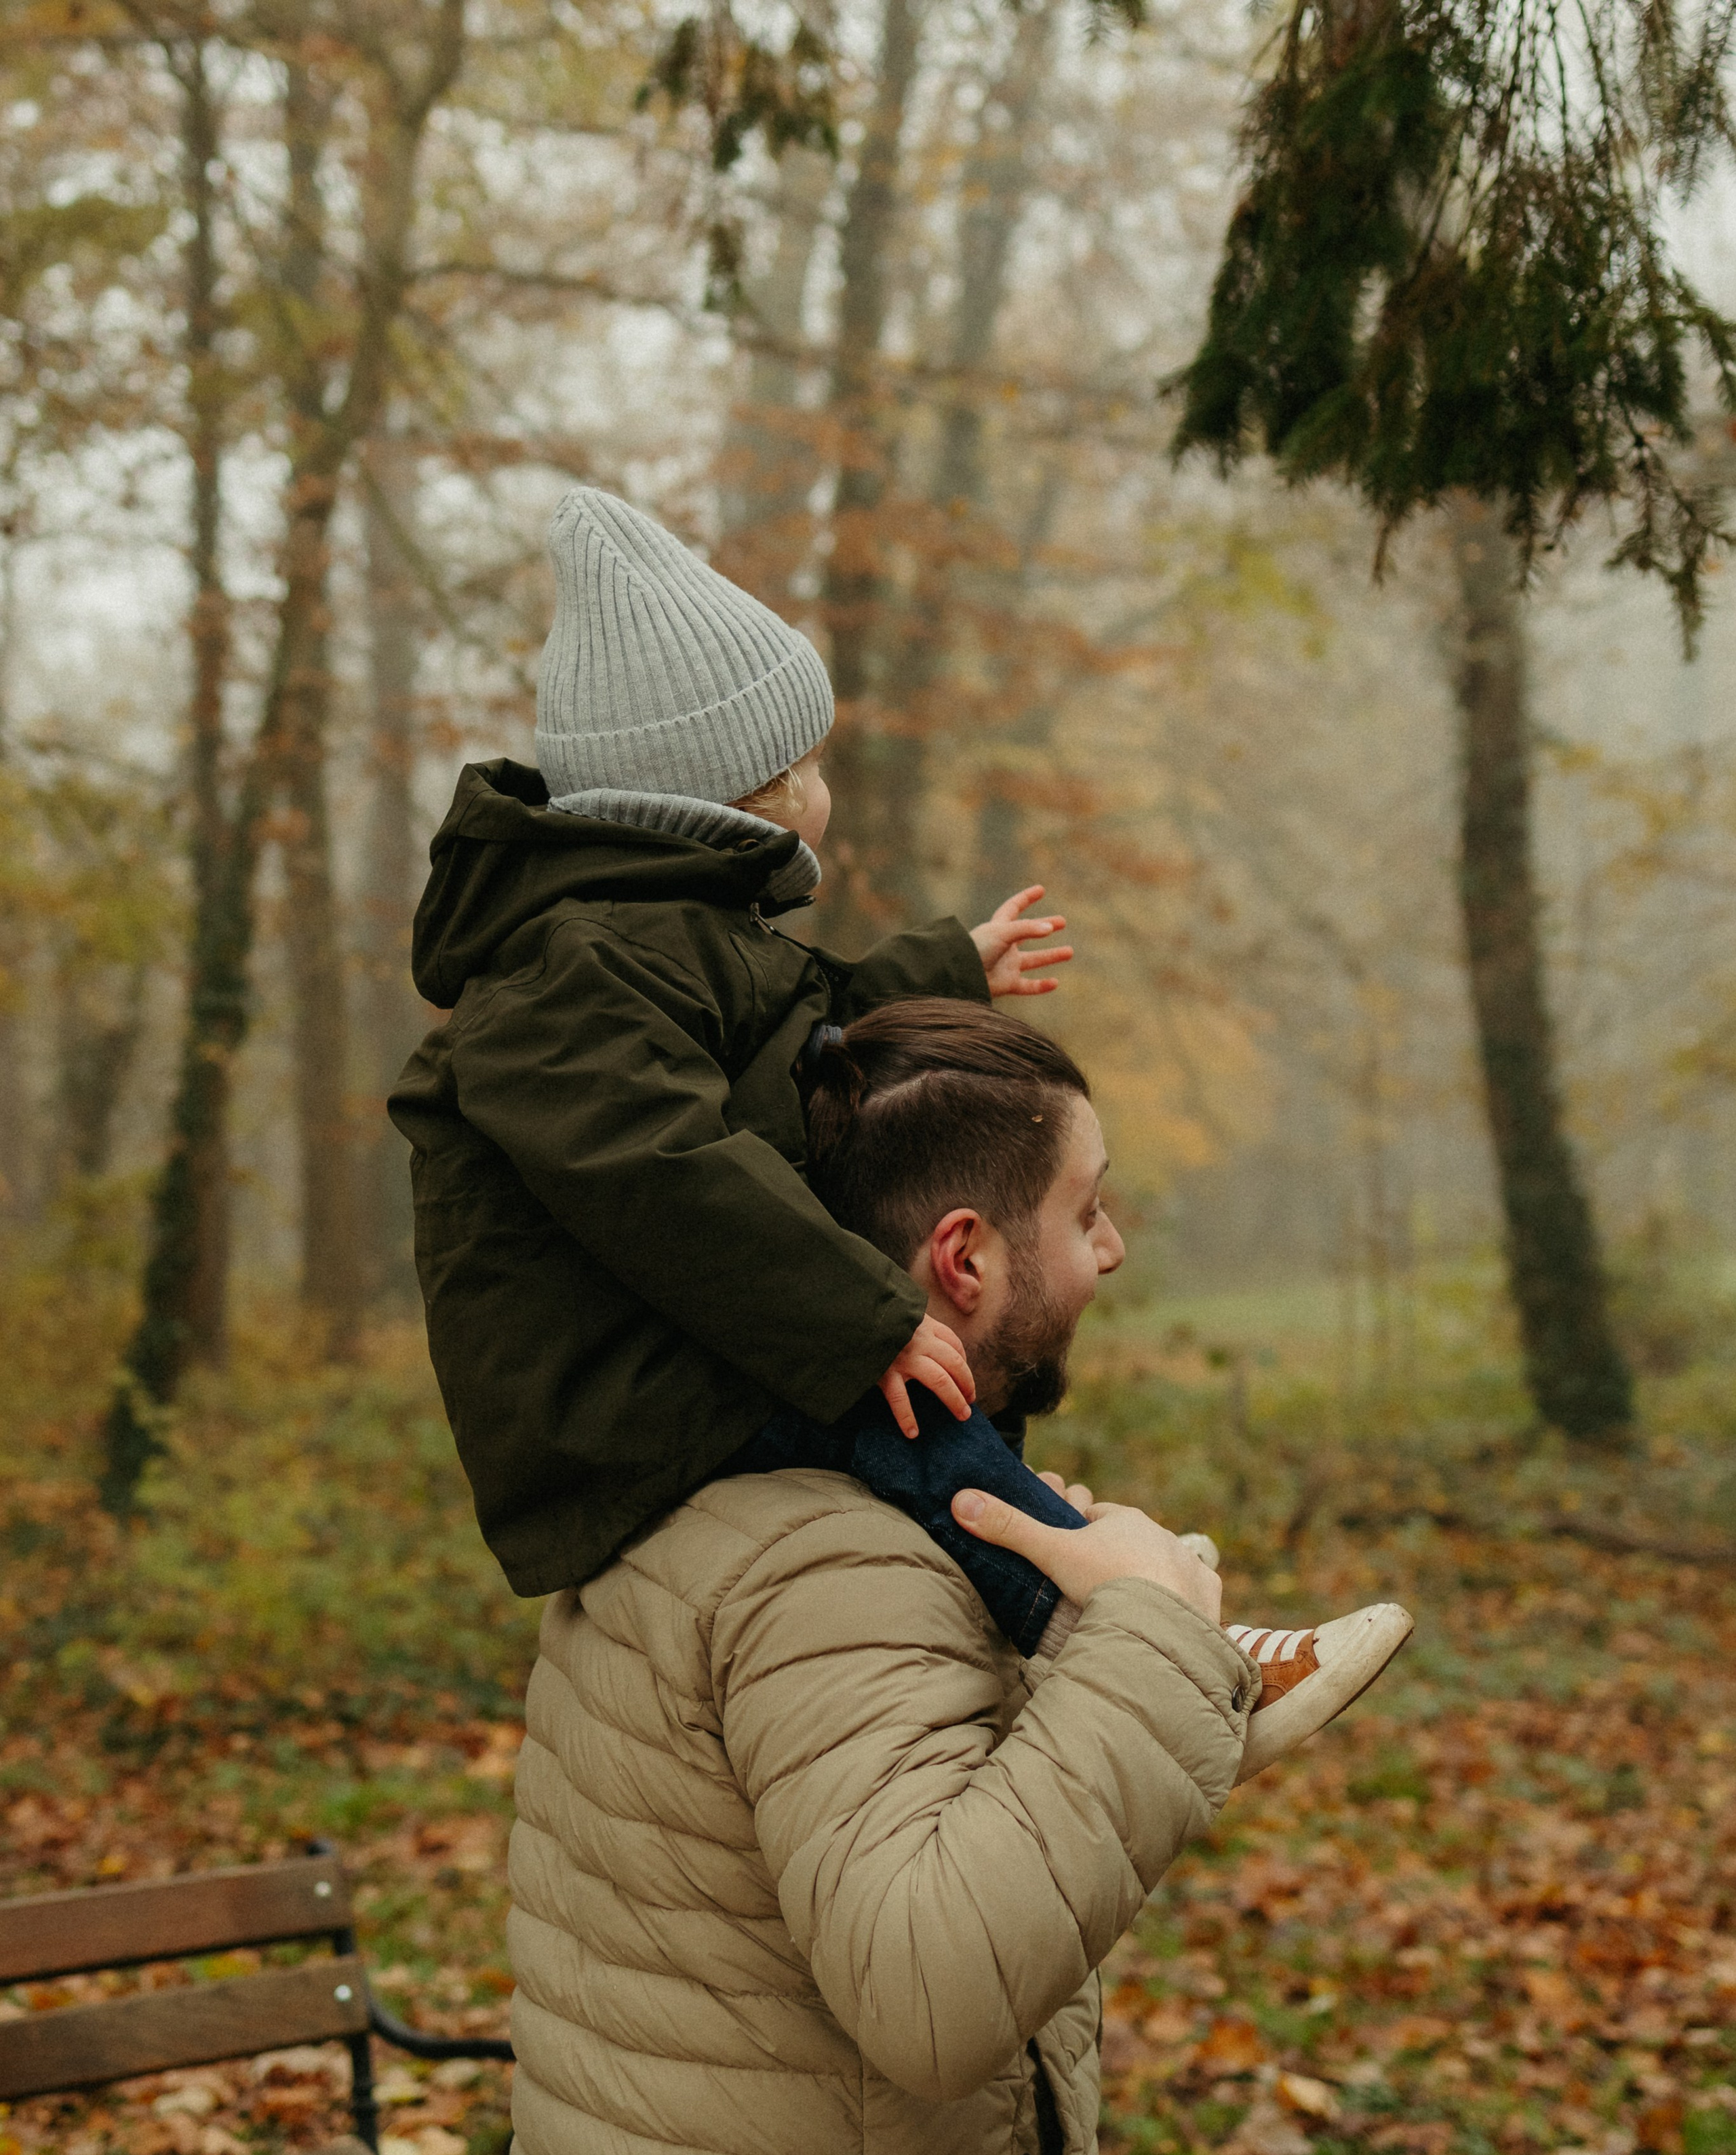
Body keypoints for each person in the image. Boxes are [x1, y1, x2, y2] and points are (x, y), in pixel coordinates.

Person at [486, 1003, 1335, 2155]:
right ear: (961, 1258)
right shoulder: (833, 1564)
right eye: (1085, 1210)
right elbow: (932, 1980)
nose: (1117, 1247)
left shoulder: (675, 1482)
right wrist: (1149, 1639)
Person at [391, 484, 1408, 1720]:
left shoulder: (657, 938)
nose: (825, 789)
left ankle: (1050, 1599)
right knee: (916, 1410)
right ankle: (1172, 1672)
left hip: (667, 1348)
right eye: (803, 766)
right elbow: (667, 1172)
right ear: (734, 797)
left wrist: (942, 969)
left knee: (936, 1409)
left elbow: (796, 1032)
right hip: (616, 1395)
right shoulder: (572, 970)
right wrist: (857, 1316)